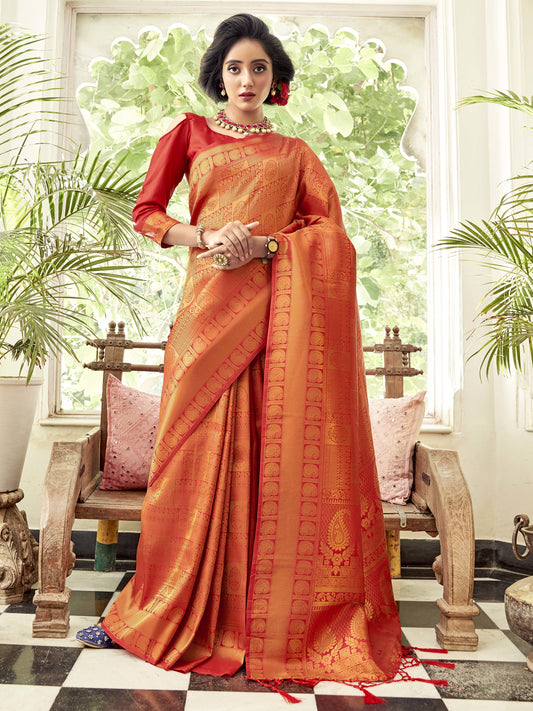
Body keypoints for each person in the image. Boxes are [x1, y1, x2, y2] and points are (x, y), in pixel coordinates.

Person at [77, 13, 402, 687]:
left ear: (275, 79)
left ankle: (264, 620)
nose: (246, 79)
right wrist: (204, 236)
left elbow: (330, 237)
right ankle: (161, 609)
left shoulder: (296, 154)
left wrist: (265, 245)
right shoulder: (188, 134)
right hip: (206, 318)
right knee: (185, 468)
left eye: (258, 68)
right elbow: (146, 214)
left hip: (279, 323)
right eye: (234, 68)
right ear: (218, 76)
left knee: (271, 459)